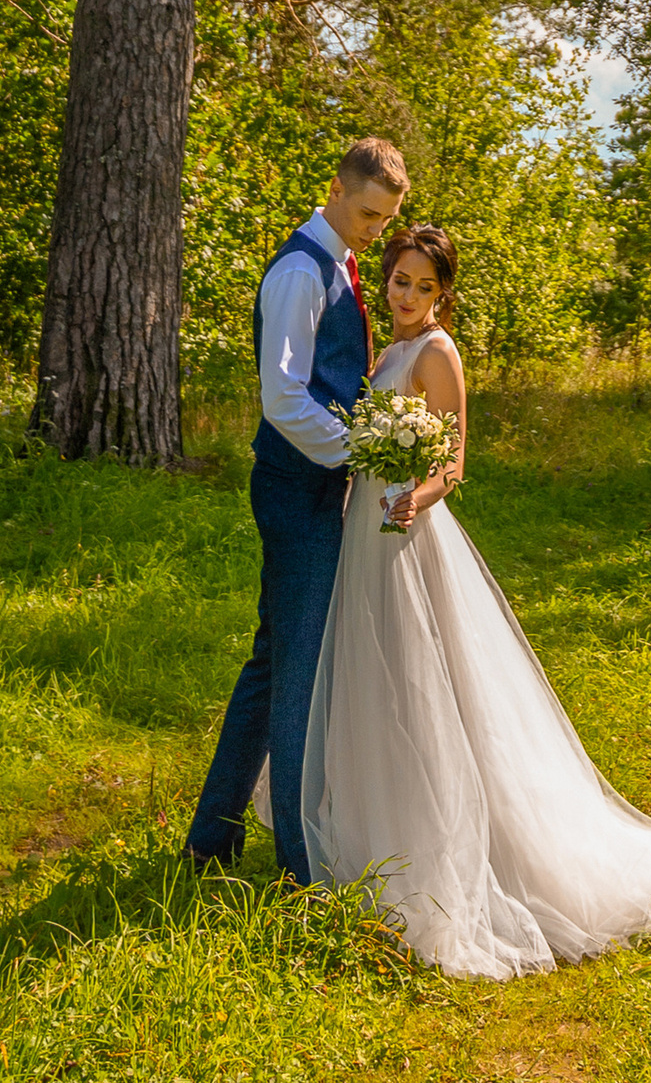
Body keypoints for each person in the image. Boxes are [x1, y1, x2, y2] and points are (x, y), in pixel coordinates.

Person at [298, 221, 651, 979]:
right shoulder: (388, 348)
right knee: (376, 676)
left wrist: (413, 498)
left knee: (422, 680)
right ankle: (374, 825)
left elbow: (455, 465)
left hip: (405, 531)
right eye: (399, 281)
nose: (406, 296)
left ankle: (451, 847)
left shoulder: (436, 354)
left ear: (443, 295)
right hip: (365, 530)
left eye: (422, 287)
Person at [186, 136, 409, 885]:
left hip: (315, 484)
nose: (377, 231)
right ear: (338, 190)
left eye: (387, 218)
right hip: (297, 487)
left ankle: (209, 842)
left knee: (274, 659)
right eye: (369, 213)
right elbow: (283, 398)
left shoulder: (339, 261)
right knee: (299, 675)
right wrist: (359, 454)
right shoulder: (299, 270)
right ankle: (300, 865)